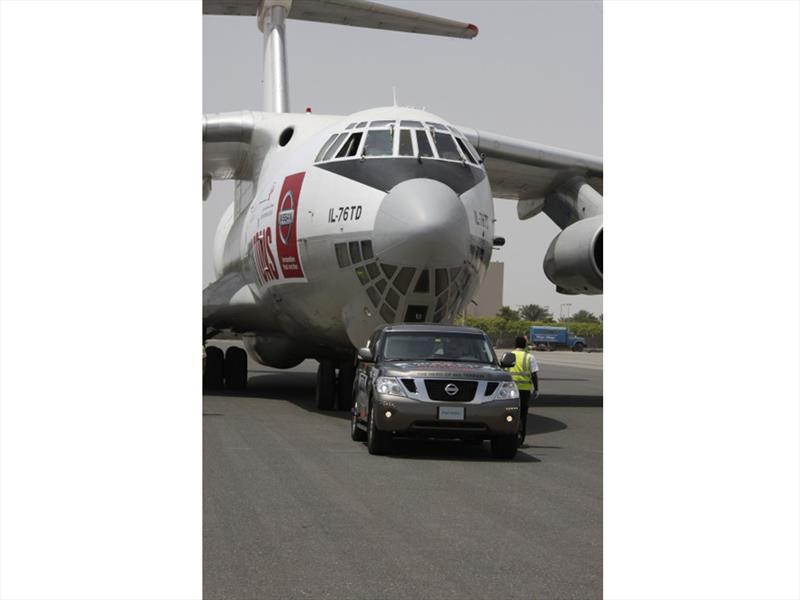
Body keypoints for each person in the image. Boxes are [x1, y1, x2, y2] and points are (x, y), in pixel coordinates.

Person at [506, 335, 539, 447]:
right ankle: (520, 439)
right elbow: (534, 374)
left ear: (515, 344)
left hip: (510, 390)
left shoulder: (508, 356)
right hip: (524, 391)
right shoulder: (529, 357)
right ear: (525, 345)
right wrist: (536, 389)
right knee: (523, 415)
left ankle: (507, 436)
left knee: (509, 413)